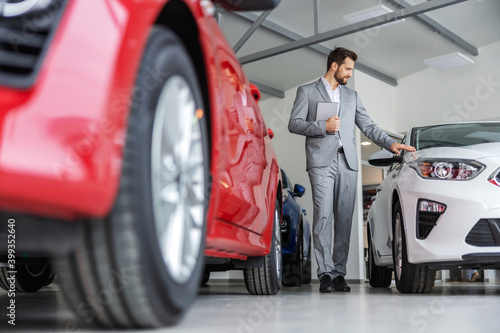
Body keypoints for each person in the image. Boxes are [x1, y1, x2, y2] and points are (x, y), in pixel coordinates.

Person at [288, 47, 415, 293]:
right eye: (348, 69)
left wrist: (390, 143)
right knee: (323, 217)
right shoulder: (307, 91)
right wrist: (321, 125)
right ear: (334, 66)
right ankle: (324, 273)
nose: (350, 74)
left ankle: (338, 274)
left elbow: (368, 125)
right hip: (321, 162)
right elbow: (294, 123)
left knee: (344, 219)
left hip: (347, 163)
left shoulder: (352, 96)